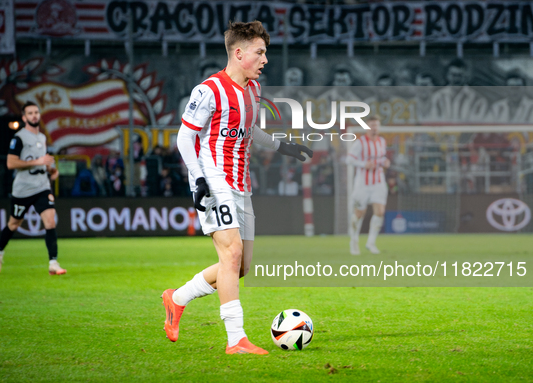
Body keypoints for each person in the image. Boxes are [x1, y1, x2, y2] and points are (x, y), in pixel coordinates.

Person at [162, 20, 312, 355]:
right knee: (231, 255)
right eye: (260, 53)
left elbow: (251, 130)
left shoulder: (254, 90)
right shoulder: (209, 90)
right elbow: (184, 137)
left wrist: (281, 146)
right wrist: (198, 178)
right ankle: (236, 340)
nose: (265, 59)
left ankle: (177, 298)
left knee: (242, 266)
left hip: (241, 182)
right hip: (213, 179)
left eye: (265, 53)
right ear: (239, 52)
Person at [0, 102, 66, 275]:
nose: (34, 115)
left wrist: (51, 170)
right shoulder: (19, 138)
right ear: (24, 118)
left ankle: (53, 263)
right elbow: (11, 163)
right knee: (14, 224)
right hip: (23, 189)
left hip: (41, 186)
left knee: (50, 220)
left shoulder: (42, 138)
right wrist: (37, 162)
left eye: (36, 112)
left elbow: (42, 161)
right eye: (30, 113)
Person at [347, 116, 390, 255]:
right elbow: (349, 159)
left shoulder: (382, 141)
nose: (374, 128)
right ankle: (353, 241)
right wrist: (363, 164)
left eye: (376, 125)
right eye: (372, 125)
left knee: (380, 212)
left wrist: (385, 162)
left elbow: (381, 158)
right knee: (359, 213)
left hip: (378, 181)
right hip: (362, 184)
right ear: (366, 127)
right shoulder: (360, 143)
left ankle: (371, 243)